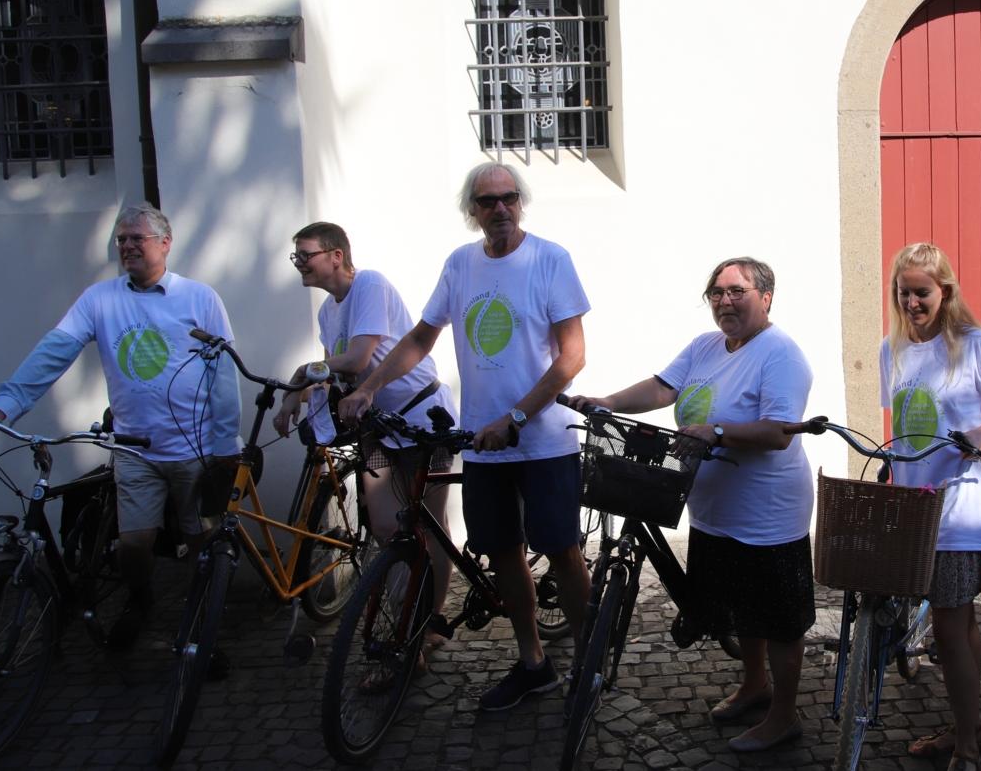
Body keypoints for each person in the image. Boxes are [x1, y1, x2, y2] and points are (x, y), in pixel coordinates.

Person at [338, 161, 590, 712]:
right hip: (482, 441)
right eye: (486, 201)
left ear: (520, 202)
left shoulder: (550, 260)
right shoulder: (460, 265)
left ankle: (588, 660)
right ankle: (533, 663)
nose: (499, 208)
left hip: (543, 439)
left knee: (563, 550)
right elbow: (421, 337)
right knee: (502, 552)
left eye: (508, 198)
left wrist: (517, 418)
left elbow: (572, 356)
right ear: (471, 211)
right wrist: (368, 387)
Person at [0, 203, 241, 651]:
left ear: (165, 243)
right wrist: (6, 404)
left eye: (138, 238)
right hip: (134, 449)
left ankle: (203, 625)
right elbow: (54, 351)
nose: (128, 245)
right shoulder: (100, 299)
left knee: (201, 539)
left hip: (194, 447)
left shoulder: (199, 298)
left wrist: (226, 439)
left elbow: (223, 374)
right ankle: (142, 598)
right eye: (121, 239)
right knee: (132, 546)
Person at [567, 256, 815, 754]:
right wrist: (606, 402)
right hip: (713, 510)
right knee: (742, 607)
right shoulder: (705, 347)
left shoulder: (781, 355)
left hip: (767, 513)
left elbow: (778, 433)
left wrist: (717, 431)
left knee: (779, 618)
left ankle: (784, 715)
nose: (725, 300)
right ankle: (753, 685)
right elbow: (663, 387)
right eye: (717, 292)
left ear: (766, 297)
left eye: (737, 291)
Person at [272, 222, 457, 650]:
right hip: (378, 423)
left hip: (425, 419)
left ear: (336, 256)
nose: (299, 263)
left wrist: (300, 375)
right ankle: (405, 619)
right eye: (295, 256)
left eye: (306, 254)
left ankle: (430, 622)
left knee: (432, 527)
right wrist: (293, 398)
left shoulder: (369, 284)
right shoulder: (326, 312)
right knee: (385, 525)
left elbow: (356, 358)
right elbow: (332, 372)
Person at [884, 244, 981, 771]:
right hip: (916, 507)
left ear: (945, 292)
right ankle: (968, 724)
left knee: (948, 627)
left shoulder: (976, 344)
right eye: (904, 293)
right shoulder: (892, 349)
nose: (912, 303)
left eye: (922, 292)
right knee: (959, 626)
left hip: (962, 508)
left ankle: (967, 744)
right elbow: (901, 426)